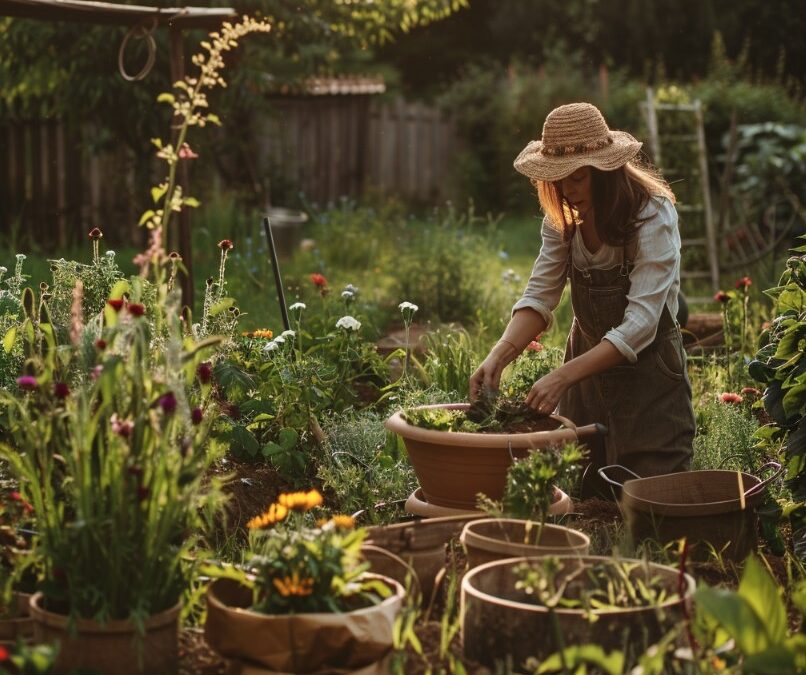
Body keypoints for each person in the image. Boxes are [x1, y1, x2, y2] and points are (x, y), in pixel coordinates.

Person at [469, 102, 694, 494]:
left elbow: (640, 325)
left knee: (652, 498)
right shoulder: (563, 223)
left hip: (650, 377)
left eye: (578, 178)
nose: (567, 192)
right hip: (586, 376)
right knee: (582, 492)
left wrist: (561, 376)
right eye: (557, 181)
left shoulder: (651, 215)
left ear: (606, 172)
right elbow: (540, 297)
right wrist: (497, 357)